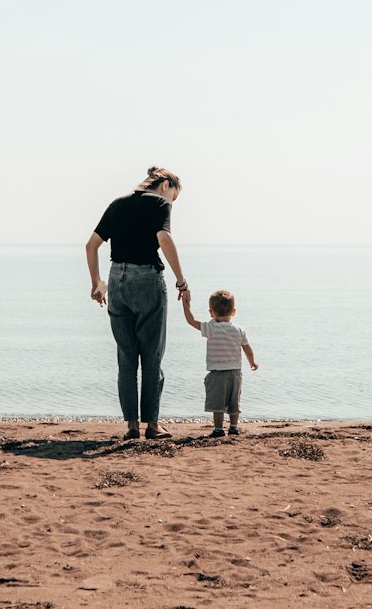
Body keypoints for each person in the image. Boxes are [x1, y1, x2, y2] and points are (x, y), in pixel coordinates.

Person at [85, 166, 190, 440]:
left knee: (126, 357)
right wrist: (181, 281)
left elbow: (91, 245)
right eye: (174, 197)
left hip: (116, 280)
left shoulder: (117, 204)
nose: (172, 203)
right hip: (146, 280)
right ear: (165, 185)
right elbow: (164, 238)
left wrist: (96, 283)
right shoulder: (158, 203)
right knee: (152, 355)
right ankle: (152, 426)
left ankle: (132, 425)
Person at [181, 288, 257, 437]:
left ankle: (218, 429)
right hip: (235, 373)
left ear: (211, 312)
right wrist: (252, 362)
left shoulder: (211, 328)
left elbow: (191, 321)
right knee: (234, 402)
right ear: (233, 312)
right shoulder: (239, 330)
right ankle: (234, 427)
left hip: (217, 373)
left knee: (218, 404)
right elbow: (247, 348)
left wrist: (186, 303)